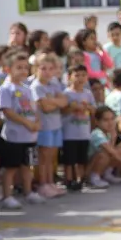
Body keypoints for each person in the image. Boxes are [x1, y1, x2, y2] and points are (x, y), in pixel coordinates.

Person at [0, 53, 41, 210]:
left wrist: (36, 122)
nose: (23, 71)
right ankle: (7, 196)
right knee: (11, 167)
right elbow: (7, 111)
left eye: (25, 68)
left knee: (27, 165)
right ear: (8, 69)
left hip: (29, 136)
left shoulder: (27, 89)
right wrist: (26, 123)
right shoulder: (6, 89)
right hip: (14, 136)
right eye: (19, 68)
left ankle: (28, 192)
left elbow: (34, 109)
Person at [31, 52, 68, 200]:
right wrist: (55, 102)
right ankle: (43, 184)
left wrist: (51, 101)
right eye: (43, 68)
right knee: (43, 157)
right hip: (44, 126)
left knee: (52, 156)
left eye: (50, 68)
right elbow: (45, 107)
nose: (47, 72)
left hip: (56, 125)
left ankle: (50, 182)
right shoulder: (36, 86)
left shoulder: (54, 83)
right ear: (36, 69)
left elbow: (64, 101)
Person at [61, 64, 102, 190]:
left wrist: (88, 107)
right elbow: (62, 111)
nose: (80, 78)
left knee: (81, 158)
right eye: (77, 75)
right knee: (69, 159)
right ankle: (68, 179)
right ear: (69, 77)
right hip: (69, 133)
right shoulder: (66, 93)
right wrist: (72, 107)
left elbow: (94, 110)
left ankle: (81, 179)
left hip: (83, 132)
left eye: (83, 75)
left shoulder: (88, 93)